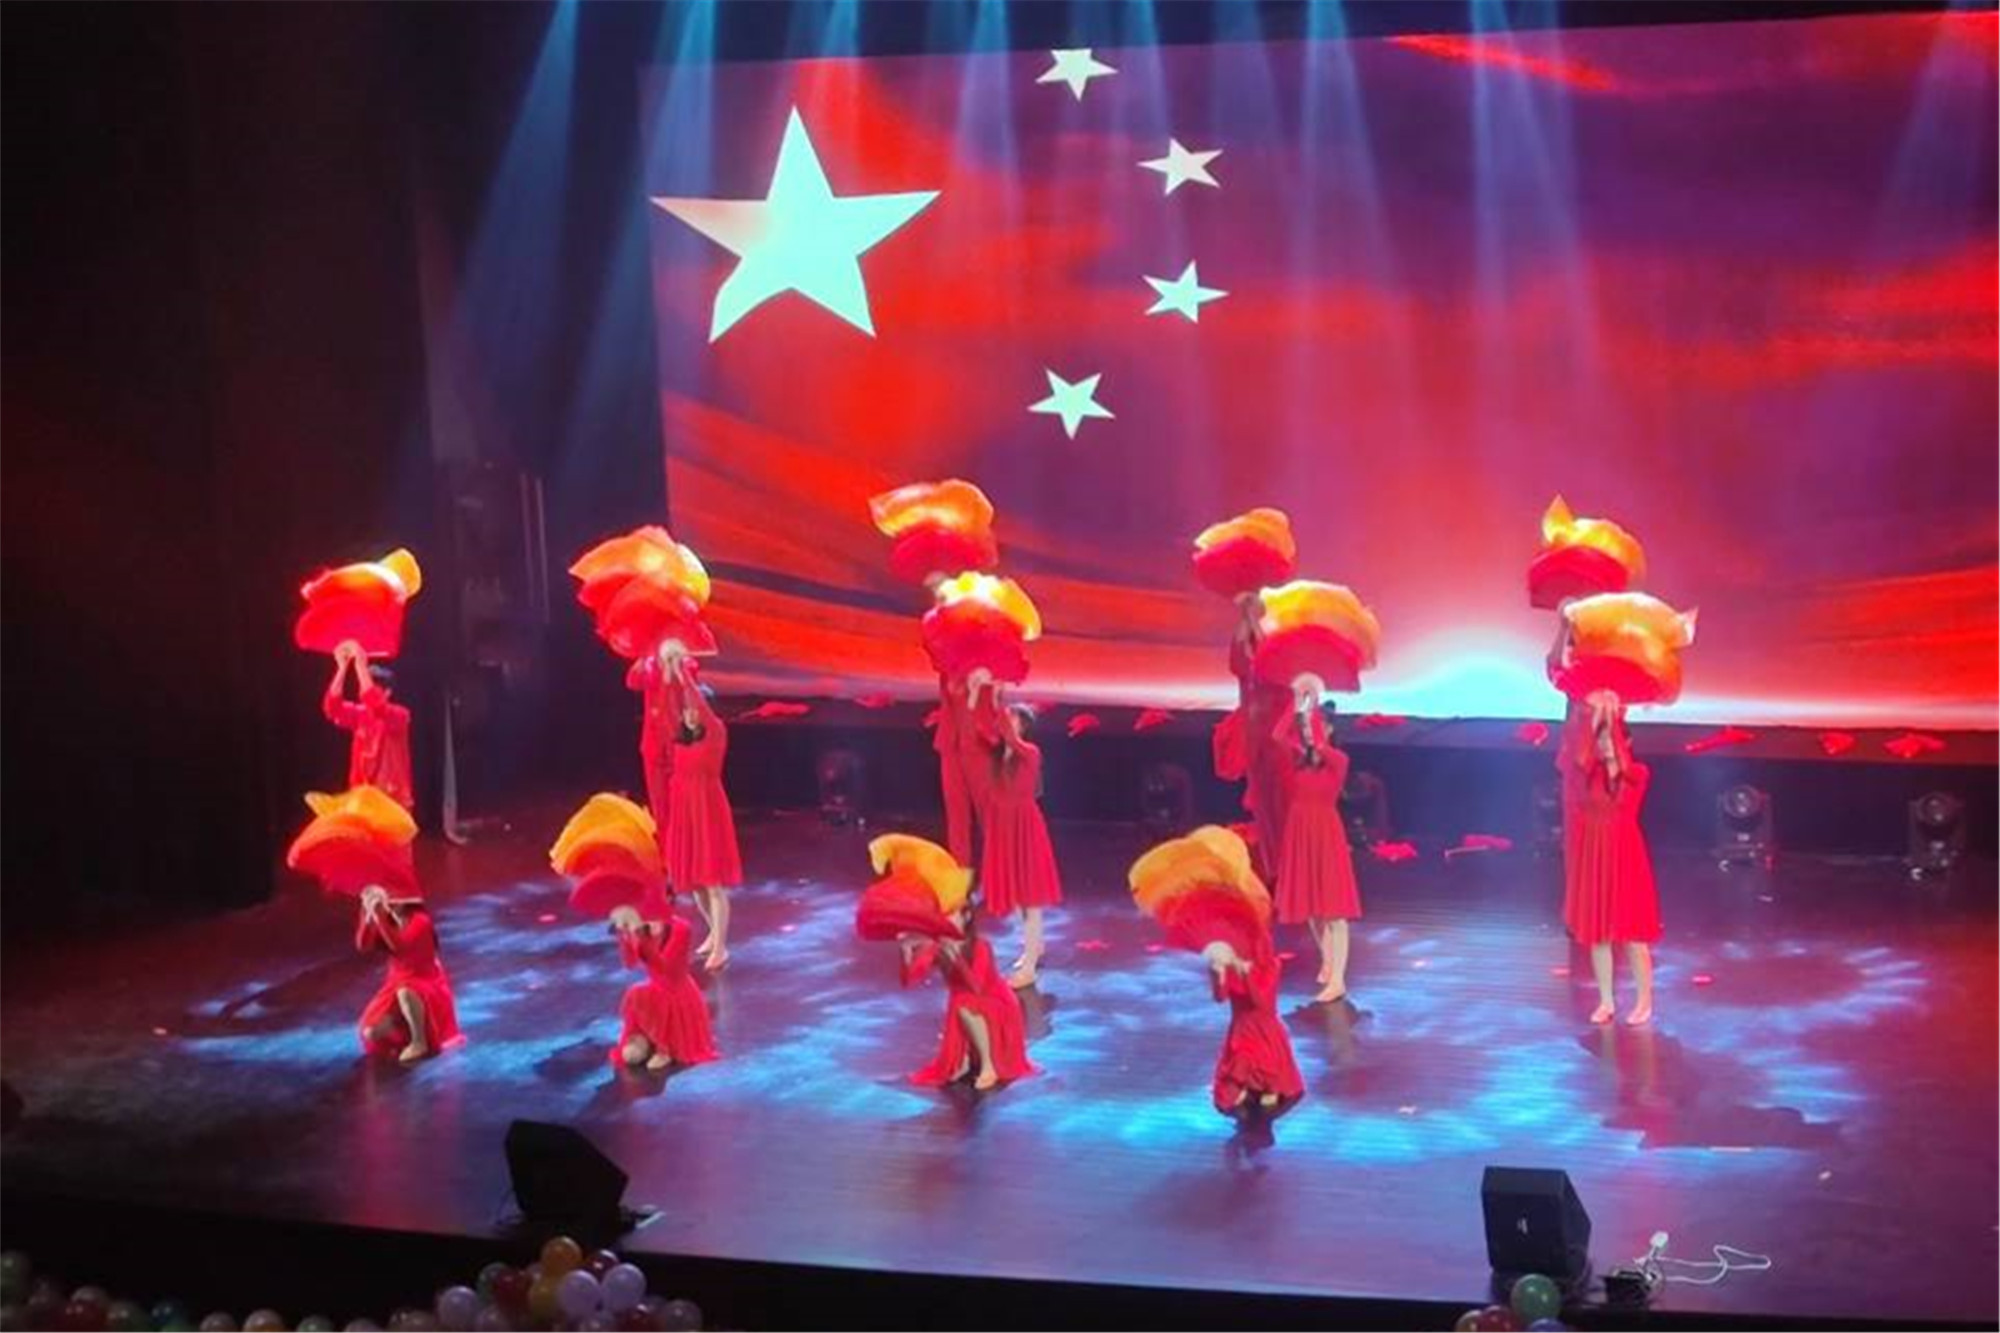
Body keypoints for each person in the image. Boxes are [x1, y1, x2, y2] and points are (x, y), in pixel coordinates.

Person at [1561, 691, 1660, 1026]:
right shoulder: (1588, 775)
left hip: (1624, 854)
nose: (1604, 746)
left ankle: (1644, 1000)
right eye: (1601, 741)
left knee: (1633, 934)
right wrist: (1595, 720)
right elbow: (1578, 759)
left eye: (1610, 741)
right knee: (1598, 932)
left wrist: (1612, 720)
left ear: (1624, 742)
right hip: (1594, 854)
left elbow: (1623, 768)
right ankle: (1606, 1001)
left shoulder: (1636, 774)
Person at [1273, 684, 1361, 1003]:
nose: (1310, 731)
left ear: (1330, 729)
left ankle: (1338, 980)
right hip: (1300, 832)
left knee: (1334, 910)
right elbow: (1278, 736)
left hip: (1325, 833)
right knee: (1311, 907)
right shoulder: (1297, 759)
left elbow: (1320, 746)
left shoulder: (1338, 760)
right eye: (1308, 726)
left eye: (1318, 726)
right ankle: (1328, 959)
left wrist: (1313, 712)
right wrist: (1295, 704)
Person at [899, 908, 1034, 1090]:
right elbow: (909, 980)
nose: (946, 920)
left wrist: (955, 956)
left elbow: (976, 987)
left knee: (963, 1004)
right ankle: (963, 1059)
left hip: (997, 1001)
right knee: (961, 1002)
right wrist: (906, 951)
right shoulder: (937, 948)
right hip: (966, 1002)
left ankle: (989, 1067)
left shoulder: (981, 945)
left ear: (966, 917)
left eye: (951, 915)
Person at [980, 702, 1063, 988]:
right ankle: (1034, 945)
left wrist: (997, 710)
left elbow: (1011, 739)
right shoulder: (996, 755)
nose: (1005, 722)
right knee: (1017, 893)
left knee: (1030, 897)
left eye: (1012, 718)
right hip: (1003, 827)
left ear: (1023, 725)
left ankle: (1029, 968)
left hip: (1024, 826)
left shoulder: (1029, 752)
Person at [663, 687, 743, 971]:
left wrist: (682, 674)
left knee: (712, 883)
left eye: (696, 708)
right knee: (696, 886)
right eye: (686, 709)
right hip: (687, 815)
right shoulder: (680, 739)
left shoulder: (715, 734)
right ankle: (714, 933)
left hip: (707, 813)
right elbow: (668, 704)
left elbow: (700, 707)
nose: (690, 714)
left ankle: (721, 947)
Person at [354, 885, 459, 1063]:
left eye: (390, 898)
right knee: (371, 1032)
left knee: (406, 991)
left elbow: (400, 948)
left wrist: (380, 916)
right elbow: (363, 945)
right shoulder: (388, 919)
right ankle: (406, 1031)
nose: (386, 902)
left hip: (424, 980)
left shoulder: (420, 921)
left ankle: (420, 1040)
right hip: (397, 980)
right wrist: (366, 912)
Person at [1204, 937, 1305, 1118]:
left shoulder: (1271, 966)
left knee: (1266, 1066)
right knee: (1240, 1064)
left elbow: (1260, 1001)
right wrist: (1218, 975)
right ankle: (1247, 1084)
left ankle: (1269, 1087)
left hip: (1264, 1027)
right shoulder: (1231, 967)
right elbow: (1220, 997)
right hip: (1241, 1027)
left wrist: (1246, 974)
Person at [607, 903, 717, 1071]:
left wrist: (642, 938)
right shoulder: (642, 927)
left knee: (641, 994)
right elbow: (630, 963)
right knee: (638, 995)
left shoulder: (680, 928)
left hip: (677, 992)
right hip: (656, 988)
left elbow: (665, 968)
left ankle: (663, 1049)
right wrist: (625, 935)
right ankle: (644, 1041)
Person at [1229, 595, 1292, 882]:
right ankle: (1274, 868)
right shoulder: (1249, 674)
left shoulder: (1281, 669)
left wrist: (1251, 615)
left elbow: (1266, 655)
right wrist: (1246, 614)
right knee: (1264, 807)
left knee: (1281, 806)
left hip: (1279, 743)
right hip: (1257, 740)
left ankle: (1286, 868)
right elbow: (1240, 654)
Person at [323, 643, 413, 811]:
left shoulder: (400, 715)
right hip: (362, 797)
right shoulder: (360, 715)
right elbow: (332, 708)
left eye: (373, 686)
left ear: (387, 692)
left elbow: (374, 701)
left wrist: (360, 666)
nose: (363, 689)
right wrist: (342, 668)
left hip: (392, 800)